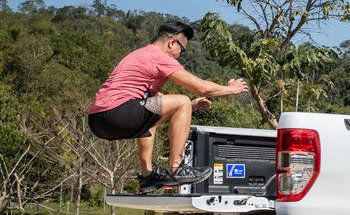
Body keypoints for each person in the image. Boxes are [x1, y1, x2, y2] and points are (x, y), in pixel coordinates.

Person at [88, 21, 249, 190]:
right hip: (118, 112)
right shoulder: (159, 56)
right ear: (172, 42)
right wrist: (231, 89)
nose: (180, 56)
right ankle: (176, 169)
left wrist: (190, 107)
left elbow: (155, 101)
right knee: (181, 100)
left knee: (152, 116)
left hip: (98, 121)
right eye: (182, 50)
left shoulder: (140, 55)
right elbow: (202, 87)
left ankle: (147, 176)